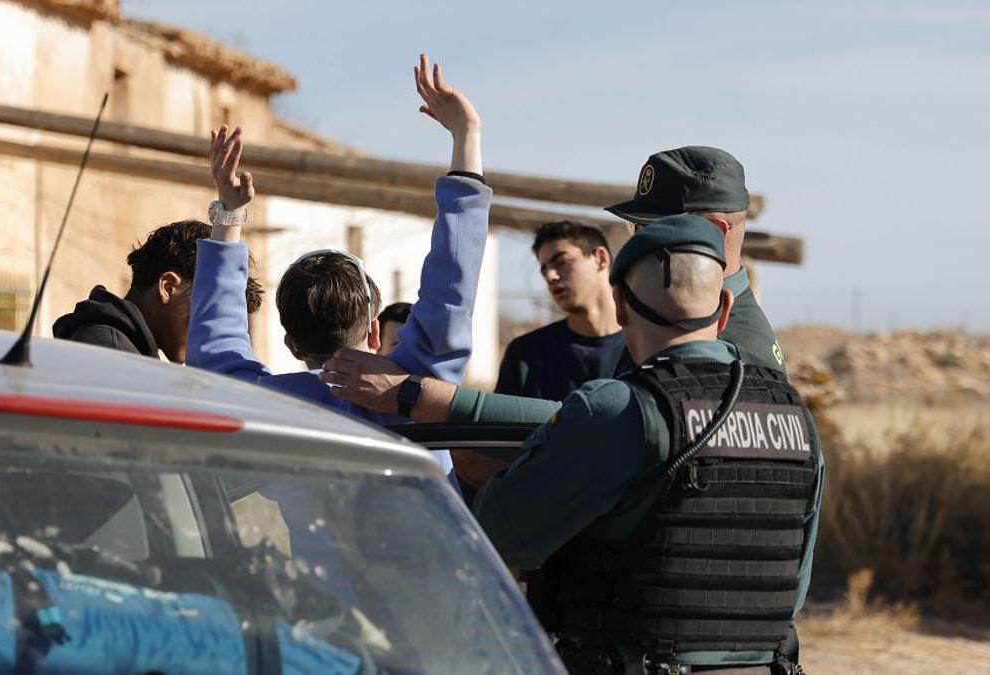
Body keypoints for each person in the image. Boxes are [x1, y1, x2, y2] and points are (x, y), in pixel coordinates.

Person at [320, 215, 823, 674]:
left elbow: (501, 531)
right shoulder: (794, 415)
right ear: (726, 305)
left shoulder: (616, 409)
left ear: (621, 303)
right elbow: (794, 589)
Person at [186, 54, 489, 449]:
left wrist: (229, 214)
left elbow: (216, 348)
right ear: (375, 331)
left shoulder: (262, 405)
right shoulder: (413, 389)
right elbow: (451, 289)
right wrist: (466, 136)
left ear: (290, 345)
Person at [607, 146, 786, 373]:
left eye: (654, 230)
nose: (642, 243)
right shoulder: (696, 321)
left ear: (715, 233)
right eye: (637, 229)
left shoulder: (719, 346)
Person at [52, 221, 263, 363]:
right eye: (207, 311)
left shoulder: (126, 352)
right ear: (168, 287)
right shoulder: (110, 355)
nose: (210, 331)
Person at [497, 221, 625, 401]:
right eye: (544, 269)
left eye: (561, 262)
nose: (551, 276)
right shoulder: (526, 355)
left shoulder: (648, 346)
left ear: (601, 259)